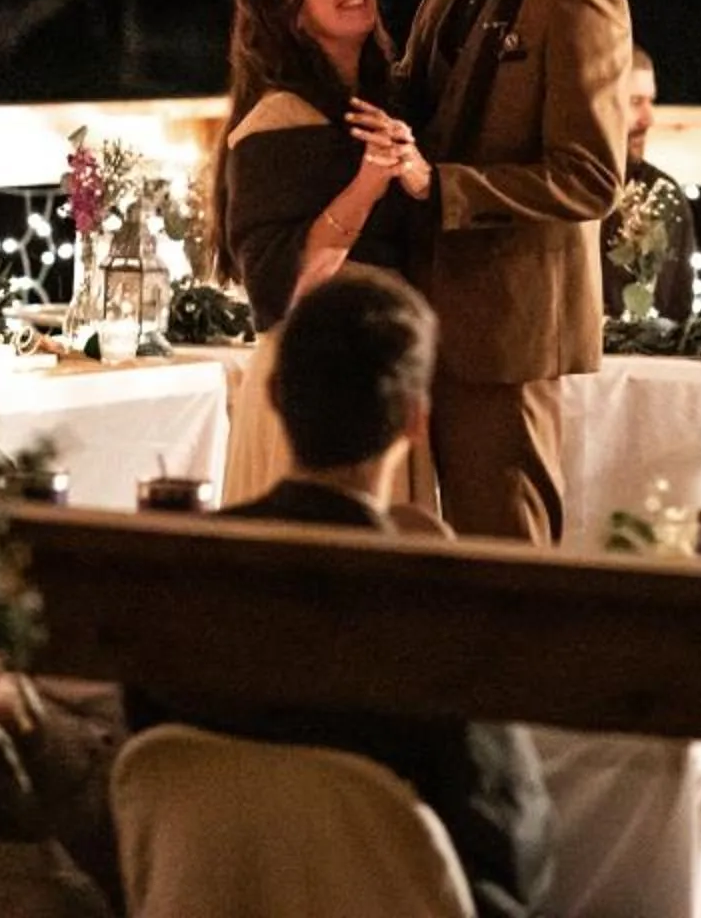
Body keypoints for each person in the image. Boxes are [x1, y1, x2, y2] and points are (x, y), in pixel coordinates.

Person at [125, 269, 554, 918]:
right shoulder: (435, 621)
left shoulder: (175, 583)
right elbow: (511, 856)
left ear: (271, 393)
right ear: (415, 419)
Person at [390, 0, 631, 544]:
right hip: (428, 321)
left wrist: (444, 186)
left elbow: (593, 177)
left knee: (507, 556)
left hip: (509, 339)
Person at [212, 0, 432, 332]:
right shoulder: (279, 120)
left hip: (402, 347)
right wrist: (368, 184)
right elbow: (276, 289)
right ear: (289, 15)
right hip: (327, 362)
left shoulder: (393, 102)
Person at [600, 49, 700, 321]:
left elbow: (677, 309)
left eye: (651, 101)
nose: (649, 119)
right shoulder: (567, 189)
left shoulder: (663, 193)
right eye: (635, 102)